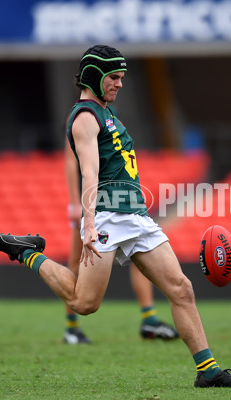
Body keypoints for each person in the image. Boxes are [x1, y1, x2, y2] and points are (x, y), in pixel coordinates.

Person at [0, 44, 231, 388]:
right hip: (105, 217)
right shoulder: (85, 117)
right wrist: (88, 224)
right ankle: (25, 252)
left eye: (122, 77)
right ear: (94, 77)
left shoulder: (107, 113)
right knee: (84, 304)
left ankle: (208, 371)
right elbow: (90, 171)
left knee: (181, 289)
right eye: (114, 77)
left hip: (136, 216)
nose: (120, 84)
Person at [62, 140, 178, 344]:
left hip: (119, 204)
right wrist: (74, 201)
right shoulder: (84, 118)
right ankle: (71, 327)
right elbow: (72, 162)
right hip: (92, 205)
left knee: (141, 257)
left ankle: (149, 318)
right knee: (76, 263)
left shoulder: (111, 122)